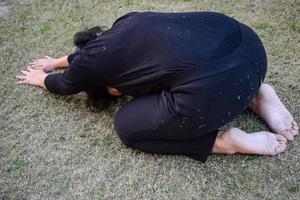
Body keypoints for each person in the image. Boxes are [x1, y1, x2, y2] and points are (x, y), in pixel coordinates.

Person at [16, 11, 298, 162]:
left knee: (128, 128)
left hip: (219, 88)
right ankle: (257, 93)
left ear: (109, 87)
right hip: (251, 49)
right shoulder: (126, 22)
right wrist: (56, 61)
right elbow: (88, 58)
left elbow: (66, 84)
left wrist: (42, 78)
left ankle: (224, 143)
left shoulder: (94, 67)